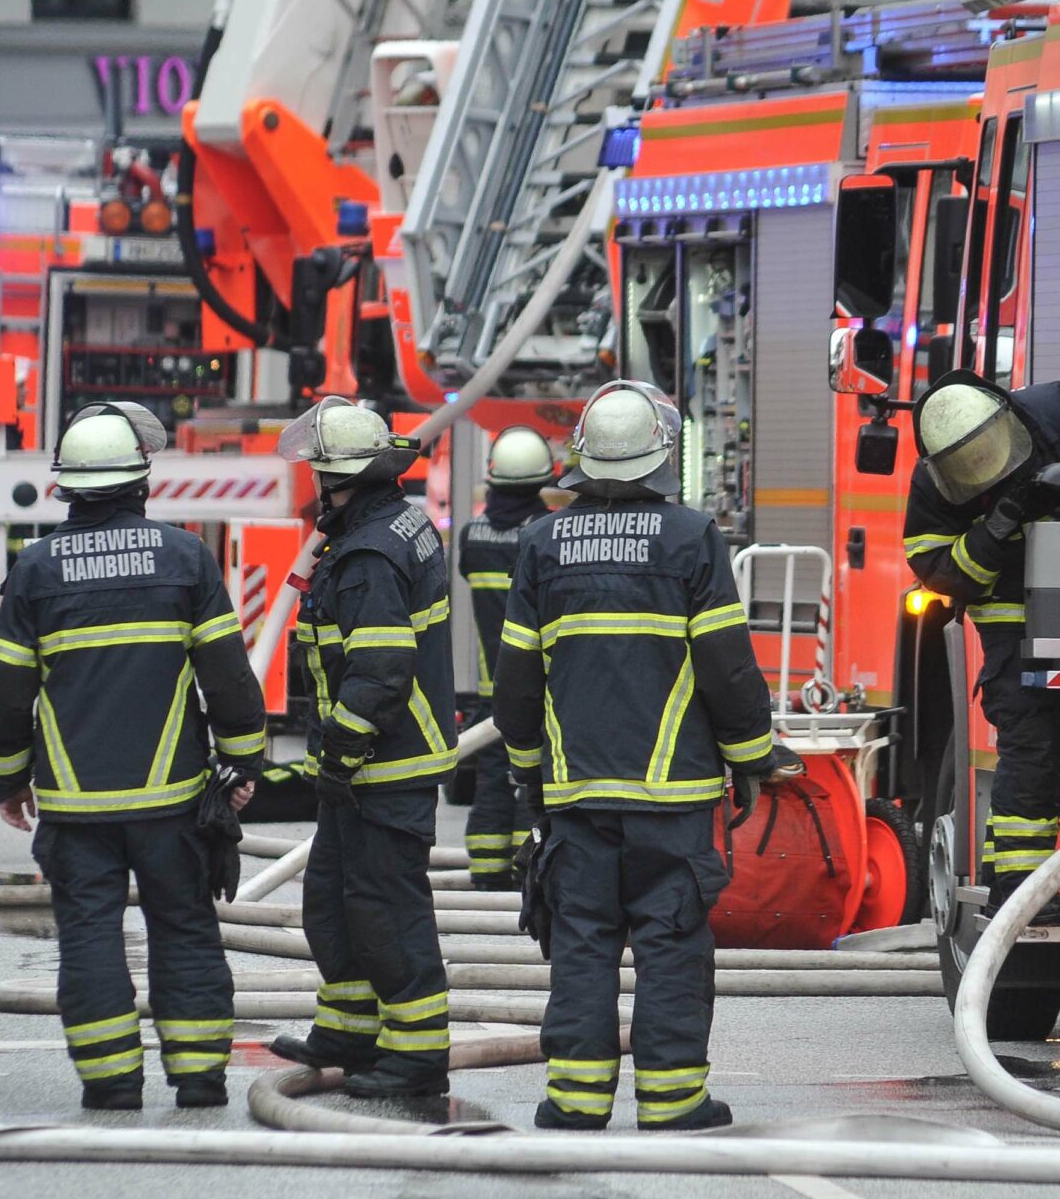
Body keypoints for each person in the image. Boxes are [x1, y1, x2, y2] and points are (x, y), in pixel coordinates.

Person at [491, 382, 799, 1132]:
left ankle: (576, 1096)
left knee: (582, 941)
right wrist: (752, 757)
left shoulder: (540, 543)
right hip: (673, 799)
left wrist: (530, 775)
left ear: (582, 460)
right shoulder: (693, 539)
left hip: (577, 797)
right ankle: (671, 1099)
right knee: (670, 944)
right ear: (661, 458)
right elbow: (728, 668)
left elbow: (517, 684)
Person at [0, 401, 271, 1111]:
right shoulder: (184, 557)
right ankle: (198, 1075)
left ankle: (110, 1080)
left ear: (66, 487)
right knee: (186, 930)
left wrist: (7, 779)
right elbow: (228, 678)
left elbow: (6, 695)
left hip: (77, 813)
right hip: (171, 801)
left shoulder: (34, 571)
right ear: (143, 481)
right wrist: (242, 765)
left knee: (90, 942)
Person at [903, 371, 1060, 916]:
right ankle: (1020, 899)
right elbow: (937, 572)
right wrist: (995, 528)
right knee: (1033, 756)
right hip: (1012, 637)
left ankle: (1010, 875)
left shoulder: (1058, 413)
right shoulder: (932, 485)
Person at [264, 397, 460, 1100]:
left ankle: (415, 1054)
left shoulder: (370, 554)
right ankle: (349, 1026)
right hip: (370, 762)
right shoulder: (385, 525)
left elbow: (379, 670)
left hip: (385, 762)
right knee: (333, 899)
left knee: (385, 908)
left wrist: (340, 755)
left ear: (337, 477)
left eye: (316, 472)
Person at [455, 426, 557, 888]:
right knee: (532, 776)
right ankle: (527, 872)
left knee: (493, 774)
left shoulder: (472, 536)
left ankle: (486, 870)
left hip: (489, 684)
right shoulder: (544, 535)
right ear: (542, 480)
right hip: (538, 682)